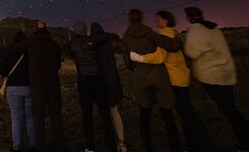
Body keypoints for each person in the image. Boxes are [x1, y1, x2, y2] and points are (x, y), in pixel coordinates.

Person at [129, 11, 217, 152]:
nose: (156, 21)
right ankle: (194, 145)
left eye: (158, 19)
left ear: (166, 20)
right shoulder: (170, 33)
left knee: (188, 115)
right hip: (181, 76)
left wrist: (138, 58)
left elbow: (159, 57)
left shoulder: (164, 34)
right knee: (186, 114)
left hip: (174, 79)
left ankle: (207, 144)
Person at [183, 7, 249, 152]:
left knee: (229, 110)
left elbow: (191, 52)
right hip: (225, 74)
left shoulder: (195, 31)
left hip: (211, 77)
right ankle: (247, 141)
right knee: (232, 109)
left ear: (189, 18)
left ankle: (246, 144)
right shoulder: (214, 29)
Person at [121, 9, 181, 152]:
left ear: (129, 20)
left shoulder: (125, 37)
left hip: (140, 78)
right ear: (141, 18)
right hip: (158, 75)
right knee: (167, 114)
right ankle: (175, 147)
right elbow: (173, 46)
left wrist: (137, 68)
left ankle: (148, 147)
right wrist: (177, 38)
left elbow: (127, 62)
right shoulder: (151, 33)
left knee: (144, 114)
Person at [69, 20, 117, 152]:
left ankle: (90, 146)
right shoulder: (93, 42)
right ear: (85, 30)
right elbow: (106, 36)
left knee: (87, 115)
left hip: (83, 83)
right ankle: (112, 144)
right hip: (97, 81)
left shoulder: (72, 45)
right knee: (105, 113)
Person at [17, 20, 65, 151]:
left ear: (35, 30)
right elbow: (58, 65)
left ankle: (41, 145)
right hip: (53, 83)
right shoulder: (54, 44)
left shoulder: (31, 42)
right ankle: (59, 144)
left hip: (37, 85)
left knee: (38, 116)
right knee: (56, 114)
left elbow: (17, 47)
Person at [90, 22, 127, 152]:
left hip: (101, 83)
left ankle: (112, 141)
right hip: (113, 81)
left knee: (106, 114)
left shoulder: (92, 46)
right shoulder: (109, 44)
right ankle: (122, 142)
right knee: (115, 111)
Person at [0, 32, 37, 152]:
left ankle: (16, 146)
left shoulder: (9, 51)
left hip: (13, 87)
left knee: (16, 118)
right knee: (30, 117)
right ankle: (33, 145)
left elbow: (1, 69)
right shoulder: (29, 52)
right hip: (29, 87)